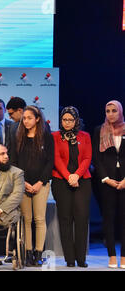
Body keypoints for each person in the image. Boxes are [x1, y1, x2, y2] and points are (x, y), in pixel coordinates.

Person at [10, 105, 54, 267]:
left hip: (41, 185)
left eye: (29, 118)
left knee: (39, 219)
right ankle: (27, 253)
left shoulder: (46, 138)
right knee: (26, 219)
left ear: (37, 119)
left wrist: (40, 182)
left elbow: (50, 162)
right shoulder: (18, 137)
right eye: (24, 118)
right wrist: (25, 183)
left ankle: (38, 253)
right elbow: (13, 162)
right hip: (23, 184)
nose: (26, 121)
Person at [51, 106, 91, 268]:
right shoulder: (54, 136)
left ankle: (81, 258)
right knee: (65, 219)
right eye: (64, 120)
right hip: (61, 181)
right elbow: (56, 158)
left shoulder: (85, 136)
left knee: (81, 219)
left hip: (82, 181)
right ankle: (70, 259)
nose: (67, 123)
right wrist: (68, 176)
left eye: (70, 120)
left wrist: (77, 175)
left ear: (76, 121)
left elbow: (87, 157)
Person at [92, 100, 125, 269]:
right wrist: (106, 178)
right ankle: (112, 255)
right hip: (107, 181)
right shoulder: (100, 130)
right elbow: (97, 158)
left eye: (114, 110)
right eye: (107, 111)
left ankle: (124, 256)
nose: (110, 114)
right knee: (109, 219)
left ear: (120, 112)